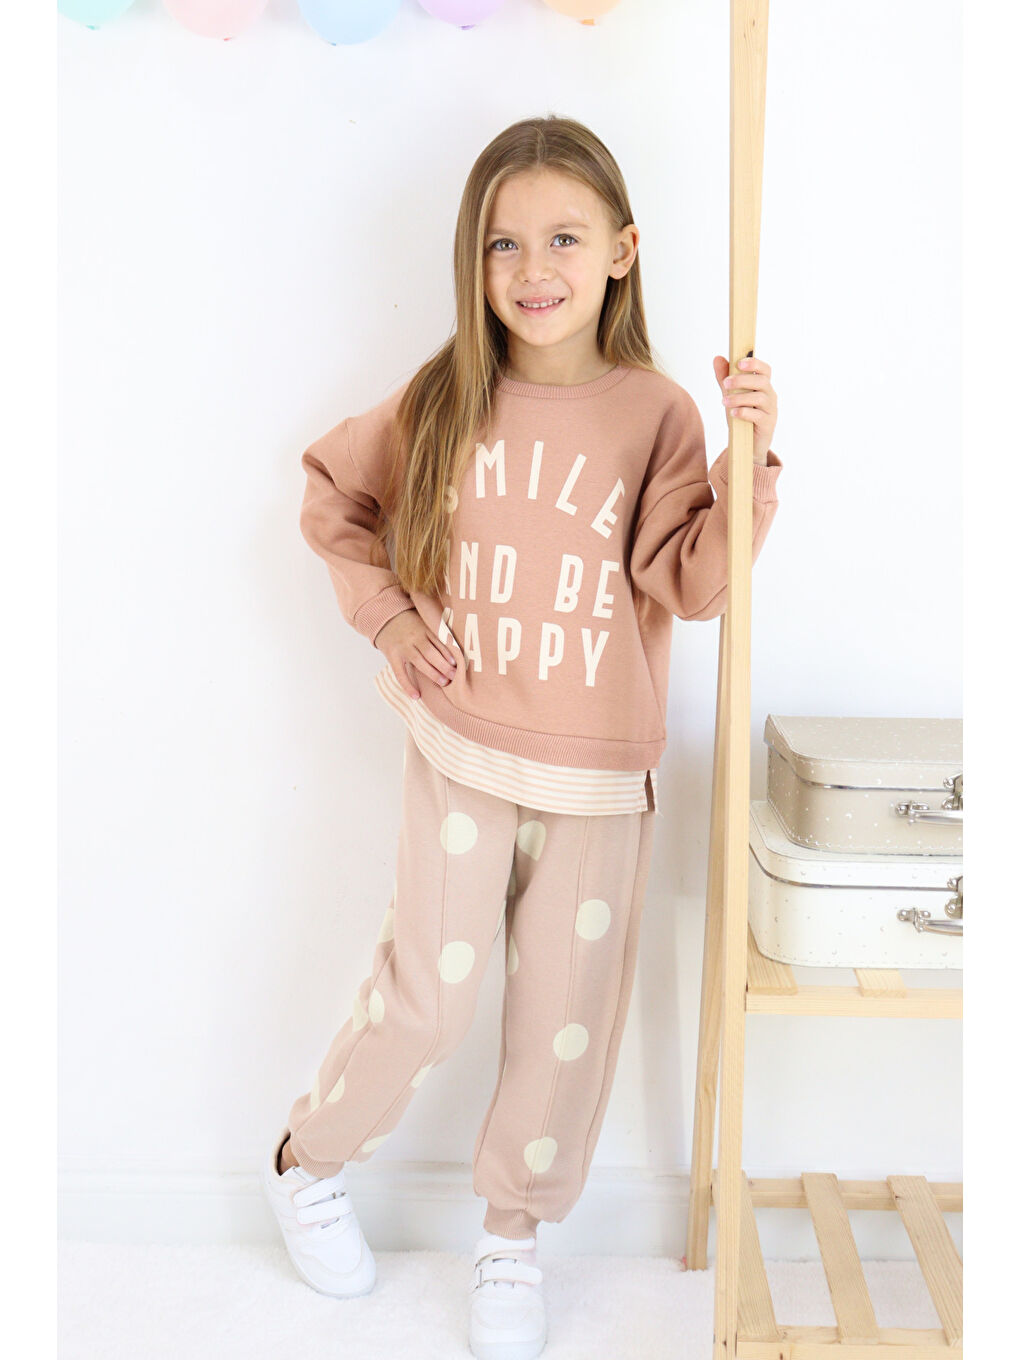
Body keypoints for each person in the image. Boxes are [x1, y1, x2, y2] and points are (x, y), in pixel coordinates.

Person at [260, 113, 783, 1360]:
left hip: (597, 773)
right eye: (504, 243)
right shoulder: (447, 394)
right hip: (462, 748)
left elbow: (695, 586)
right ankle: (307, 1160)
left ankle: (511, 1237)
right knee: (429, 1000)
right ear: (474, 258)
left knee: (564, 1019)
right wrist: (391, 620)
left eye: (563, 238)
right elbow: (334, 496)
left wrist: (747, 464)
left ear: (622, 252)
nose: (533, 268)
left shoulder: (656, 414)